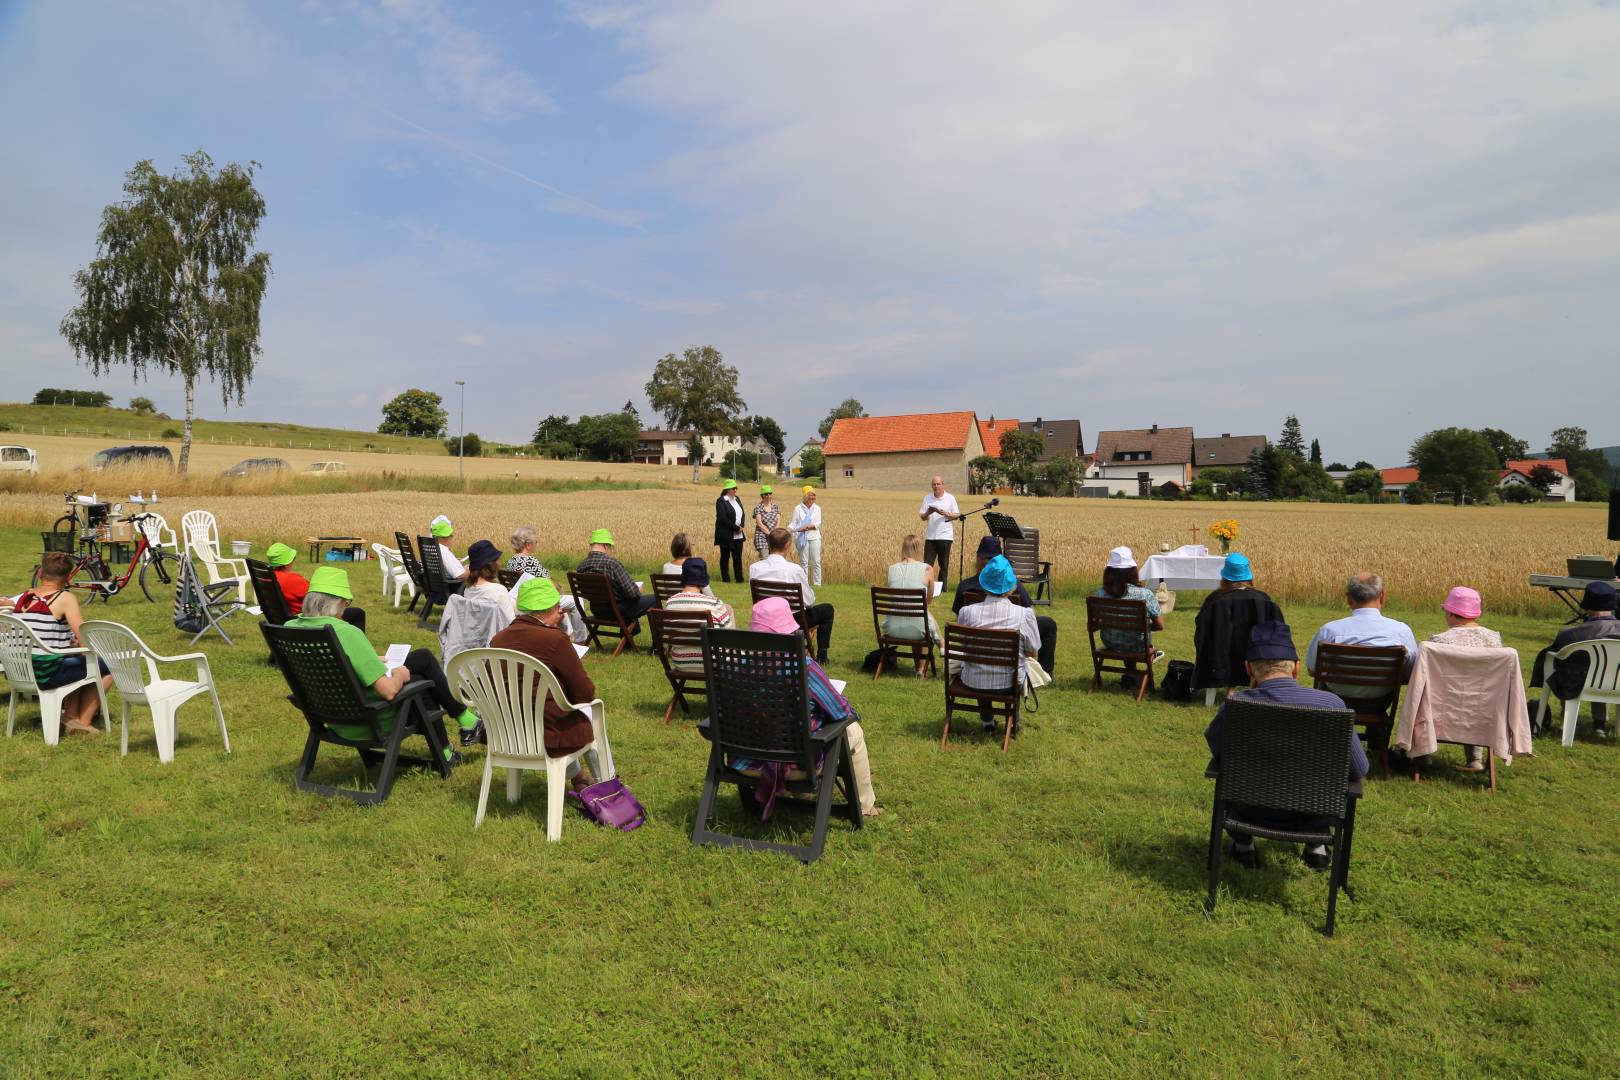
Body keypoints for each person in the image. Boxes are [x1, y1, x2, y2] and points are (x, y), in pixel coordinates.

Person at [1203, 621, 1368, 870]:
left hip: (1249, 812)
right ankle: (1317, 847)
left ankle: (1244, 845)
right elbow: (1359, 769)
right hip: (1316, 815)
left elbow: (1219, 753)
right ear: (1297, 668)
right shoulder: (1332, 705)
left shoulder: (1235, 706)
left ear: (1249, 668)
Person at [285, 567, 477, 753]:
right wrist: (400, 675)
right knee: (419, 683)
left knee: (423, 657)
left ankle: (461, 725)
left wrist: (362, 661)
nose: (345, 610)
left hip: (333, 716)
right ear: (336, 603)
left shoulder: (290, 628)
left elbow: (326, 665)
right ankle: (451, 743)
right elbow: (389, 691)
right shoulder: (346, 633)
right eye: (346, 604)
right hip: (370, 719)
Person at [747, 597, 881, 817]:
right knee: (852, 731)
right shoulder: (804, 667)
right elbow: (840, 711)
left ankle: (802, 796)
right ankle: (864, 806)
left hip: (749, 756)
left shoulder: (736, 665)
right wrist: (850, 713)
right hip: (796, 761)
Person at [487, 577, 605, 789]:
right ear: (551, 607)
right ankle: (606, 782)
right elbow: (585, 693)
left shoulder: (498, 640)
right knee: (588, 710)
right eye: (558, 606)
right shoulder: (555, 640)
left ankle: (578, 777)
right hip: (549, 735)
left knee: (549, 709)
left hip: (508, 732)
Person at [7, 551, 111, 735]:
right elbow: (83, 637)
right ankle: (83, 721)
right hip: (45, 673)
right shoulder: (64, 598)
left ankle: (70, 715)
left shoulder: (24, 597)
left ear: (40, 574)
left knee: (77, 657)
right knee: (107, 665)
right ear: (69, 576)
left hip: (18, 670)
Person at [1305, 571, 1418, 712]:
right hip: (1379, 702)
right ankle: (1376, 734)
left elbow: (1312, 670)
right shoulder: (1401, 631)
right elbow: (1409, 675)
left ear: (1348, 598)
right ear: (1382, 596)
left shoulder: (1329, 631)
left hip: (1336, 701)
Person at [956, 554, 1041, 734]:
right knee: (1016, 668)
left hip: (973, 679)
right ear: (1011, 586)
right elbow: (1032, 651)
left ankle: (987, 722)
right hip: (1009, 682)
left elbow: (964, 648)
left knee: (981, 661)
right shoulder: (1024, 615)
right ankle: (1012, 722)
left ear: (983, 582)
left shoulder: (966, 613)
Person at [953, 536, 1058, 677]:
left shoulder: (964, 586)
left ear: (978, 558)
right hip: (1010, 638)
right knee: (1048, 624)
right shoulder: (1012, 584)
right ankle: (1045, 672)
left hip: (976, 643)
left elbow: (960, 621)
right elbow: (1030, 613)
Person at [1530, 580, 1620, 737]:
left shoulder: (1570, 634)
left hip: (1578, 683)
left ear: (1585, 606)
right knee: (1605, 672)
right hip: (1616, 684)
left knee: (1566, 669)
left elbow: (1550, 656)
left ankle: (1568, 719)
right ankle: (1599, 725)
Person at [1426, 586, 1501, 770]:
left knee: (1426, 695)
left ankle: (1422, 755)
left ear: (1451, 613)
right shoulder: (1494, 640)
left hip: (1444, 711)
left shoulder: (1438, 642)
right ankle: (1475, 759)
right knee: (1477, 699)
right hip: (1483, 712)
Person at [1192, 553, 1284, 694]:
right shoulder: (1264, 600)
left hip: (1219, 658)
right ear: (1248, 576)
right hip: (1257, 656)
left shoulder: (1215, 599)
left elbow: (1202, 629)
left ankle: (1227, 686)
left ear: (1225, 577)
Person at [748, 526, 835, 664]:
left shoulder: (754, 568)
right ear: (788, 545)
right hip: (792, 621)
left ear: (769, 544)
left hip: (765, 620)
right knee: (827, 610)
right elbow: (808, 601)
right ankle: (822, 656)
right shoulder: (794, 570)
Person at [506, 526, 587, 643]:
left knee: (560, 604)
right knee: (577, 601)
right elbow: (549, 582)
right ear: (528, 544)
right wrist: (559, 587)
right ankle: (580, 640)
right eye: (535, 542)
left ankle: (567, 635)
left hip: (521, 600)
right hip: (538, 600)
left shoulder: (511, 561)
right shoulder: (530, 561)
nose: (536, 544)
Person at [1095, 546, 1166, 680]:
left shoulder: (1100, 594)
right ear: (1133, 571)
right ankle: (1136, 674)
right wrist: (1143, 626)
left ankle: (1131, 675)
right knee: (1135, 638)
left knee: (1127, 636)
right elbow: (1160, 625)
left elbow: (1092, 626)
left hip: (1111, 643)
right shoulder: (1145, 595)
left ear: (1109, 571)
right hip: (1137, 645)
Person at [265, 542, 365, 630]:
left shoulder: (268, 577)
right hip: (309, 618)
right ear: (287, 564)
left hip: (284, 617)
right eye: (292, 559)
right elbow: (318, 595)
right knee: (358, 613)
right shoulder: (291, 579)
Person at [663, 558, 734, 673]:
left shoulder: (670, 603)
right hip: (713, 663)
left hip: (681, 663)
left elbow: (668, 635)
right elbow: (729, 638)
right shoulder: (713, 603)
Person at [883, 534, 940, 676]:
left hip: (892, 628)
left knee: (917, 617)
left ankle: (923, 663)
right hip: (917, 629)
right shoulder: (927, 569)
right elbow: (929, 600)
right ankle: (921, 668)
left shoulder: (891, 569)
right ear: (918, 549)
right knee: (921, 618)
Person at [578, 528, 658, 622]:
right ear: (605, 546)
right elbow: (632, 594)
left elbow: (586, 594)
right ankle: (657, 635)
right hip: (617, 611)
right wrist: (638, 589)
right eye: (610, 547)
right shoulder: (612, 564)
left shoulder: (581, 566)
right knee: (656, 599)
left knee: (626, 601)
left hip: (597, 611)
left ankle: (629, 635)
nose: (611, 550)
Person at [918, 474, 960, 587]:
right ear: (932, 486)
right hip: (930, 536)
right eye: (934, 484)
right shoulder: (927, 498)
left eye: (938, 484)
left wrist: (946, 513)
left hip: (945, 536)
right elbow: (922, 517)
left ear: (943, 485)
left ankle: (943, 588)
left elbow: (957, 515)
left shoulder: (950, 498)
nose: (936, 486)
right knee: (927, 565)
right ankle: (926, 587)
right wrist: (929, 512)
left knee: (944, 565)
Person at [461, 540, 516, 621]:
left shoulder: (468, 589)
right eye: (497, 559)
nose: (500, 563)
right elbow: (510, 622)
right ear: (491, 565)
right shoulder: (499, 590)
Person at [713, 479, 746, 583]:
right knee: (725, 557)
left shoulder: (737, 499)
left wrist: (741, 526)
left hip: (738, 535)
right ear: (727, 489)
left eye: (736, 488)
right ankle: (726, 579)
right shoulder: (721, 501)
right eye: (733, 488)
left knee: (738, 558)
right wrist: (736, 528)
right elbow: (722, 518)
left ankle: (739, 579)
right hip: (726, 534)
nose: (735, 490)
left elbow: (742, 514)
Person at [427, 516, 467, 602]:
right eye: (450, 535)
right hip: (450, 589)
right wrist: (474, 570)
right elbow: (460, 575)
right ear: (443, 538)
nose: (451, 538)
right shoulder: (444, 552)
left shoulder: (430, 548)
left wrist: (455, 562)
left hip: (435, 589)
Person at [790, 486, 823, 587]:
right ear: (805, 496)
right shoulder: (798, 508)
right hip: (801, 538)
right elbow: (793, 523)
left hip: (815, 537)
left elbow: (818, 523)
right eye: (811, 494)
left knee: (816, 561)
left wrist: (809, 527)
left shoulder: (817, 508)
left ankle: (817, 584)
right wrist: (789, 529)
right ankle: (805, 584)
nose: (813, 497)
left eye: (814, 494)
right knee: (804, 562)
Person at [663, 533, 713, 597]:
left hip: (672, 604)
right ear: (689, 548)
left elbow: (667, 591)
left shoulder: (666, 567)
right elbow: (709, 595)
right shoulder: (695, 566)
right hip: (693, 605)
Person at [751, 485, 780, 560]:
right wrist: (769, 533)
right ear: (762, 496)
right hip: (762, 537)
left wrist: (774, 534)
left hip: (773, 537)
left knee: (773, 559)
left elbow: (778, 522)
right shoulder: (758, 507)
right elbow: (759, 524)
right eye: (766, 494)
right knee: (765, 559)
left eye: (770, 493)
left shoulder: (776, 507)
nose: (768, 495)